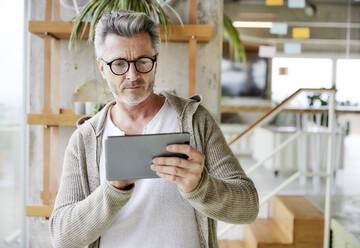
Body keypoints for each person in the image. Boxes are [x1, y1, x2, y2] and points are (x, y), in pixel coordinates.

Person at [49, 10, 258, 248]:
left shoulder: (195, 121)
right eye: (118, 64)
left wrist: (201, 186)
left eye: (142, 62)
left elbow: (248, 208)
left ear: (156, 61)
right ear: (101, 67)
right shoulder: (84, 140)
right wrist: (113, 190)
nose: (132, 75)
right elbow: (62, 236)